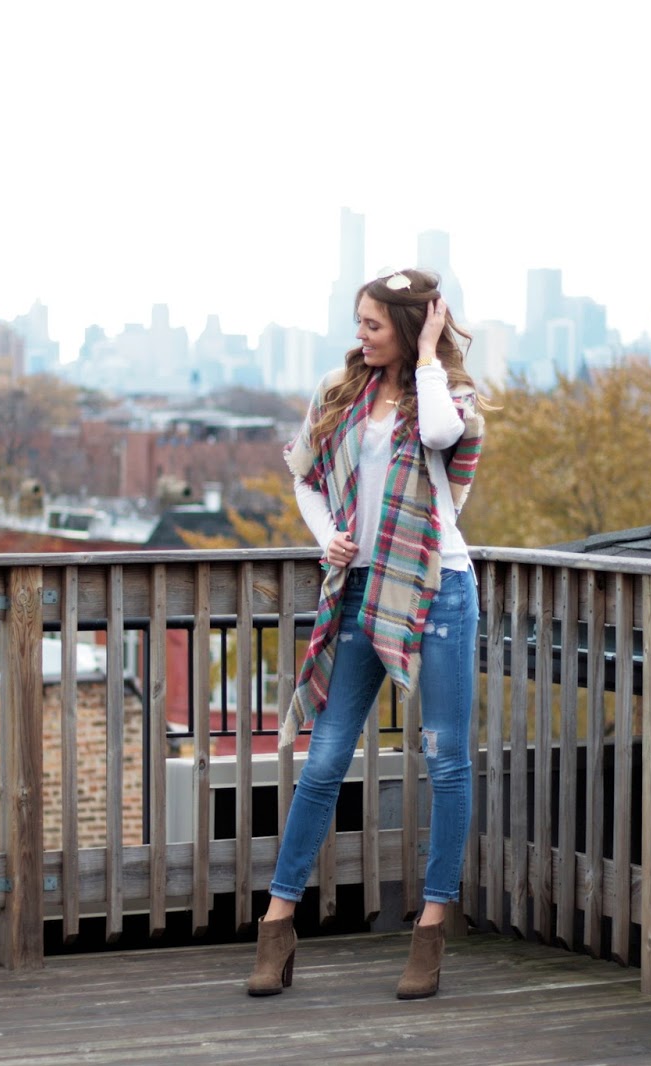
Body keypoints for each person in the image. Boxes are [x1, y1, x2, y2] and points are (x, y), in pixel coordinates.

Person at [246, 267, 488, 1000]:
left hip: (437, 588)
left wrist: (428, 357)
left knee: (445, 757)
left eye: (374, 324)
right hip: (359, 590)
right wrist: (329, 537)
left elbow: (441, 433)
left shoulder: (449, 394)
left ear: (410, 329)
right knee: (324, 759)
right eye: (359, 321)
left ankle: (431, 929)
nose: (360, 335)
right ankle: (277, 922)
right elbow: (304, 474)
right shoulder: (339, 390)